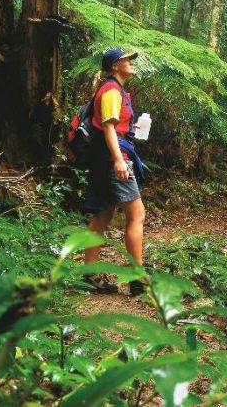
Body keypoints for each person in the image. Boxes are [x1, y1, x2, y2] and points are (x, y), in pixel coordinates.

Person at [83, 48, 147, 296]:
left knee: (102, 214)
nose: (130, 63)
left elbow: (115, 126)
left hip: (107, 158)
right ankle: (137, 278)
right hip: (113, 159)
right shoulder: (110, 90)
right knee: (137, 214)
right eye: (126, 60)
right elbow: (109, 128)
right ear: (114, 66)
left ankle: (90, 273)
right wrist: (119, 161)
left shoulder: (117, 90)